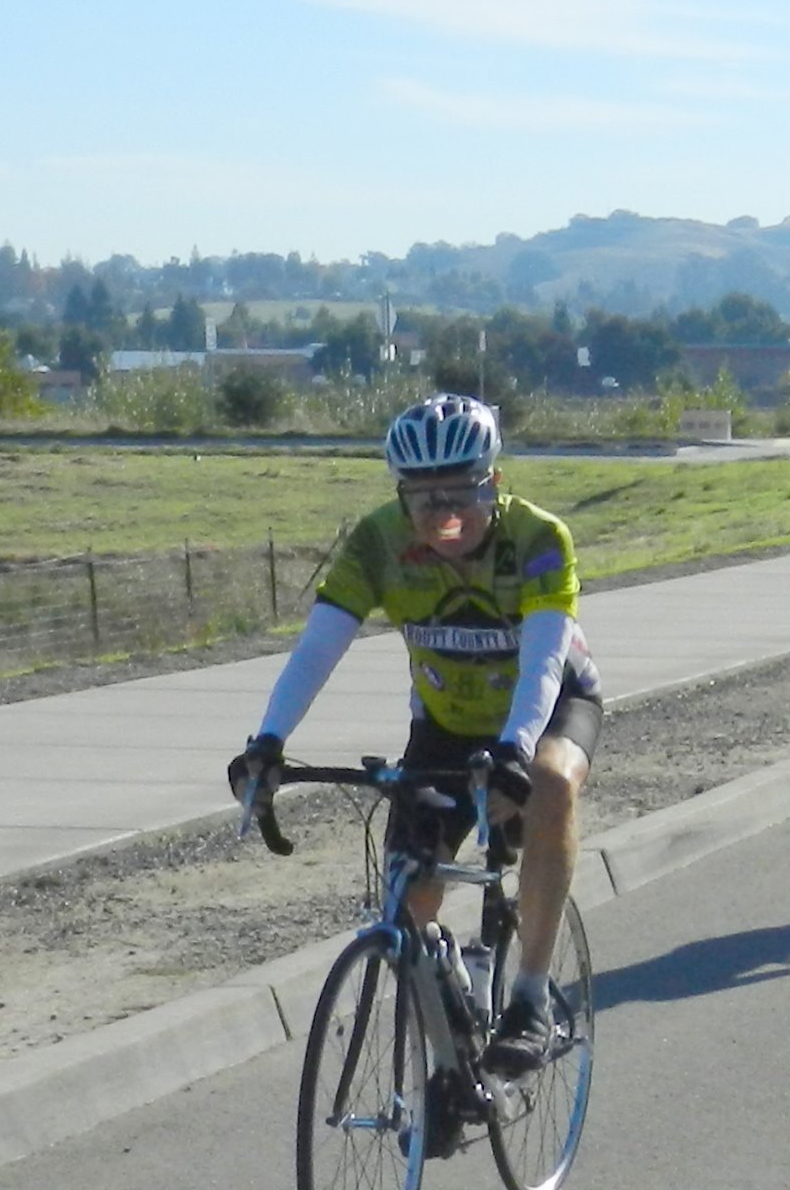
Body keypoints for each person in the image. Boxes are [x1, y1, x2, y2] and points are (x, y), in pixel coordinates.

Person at [227, 392, 599, 1095]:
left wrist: (516, 753)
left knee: (552, 784)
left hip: (546, 711)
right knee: (409, 902)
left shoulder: (538, 539)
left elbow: (545, 662)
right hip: (446, 726)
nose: (443, 513)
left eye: (462, 492)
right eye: (423, 498)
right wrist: (268, 742)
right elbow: (317, 648)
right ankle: (451, 1068)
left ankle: (529, 998)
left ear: (494, 482)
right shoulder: (379, 542)